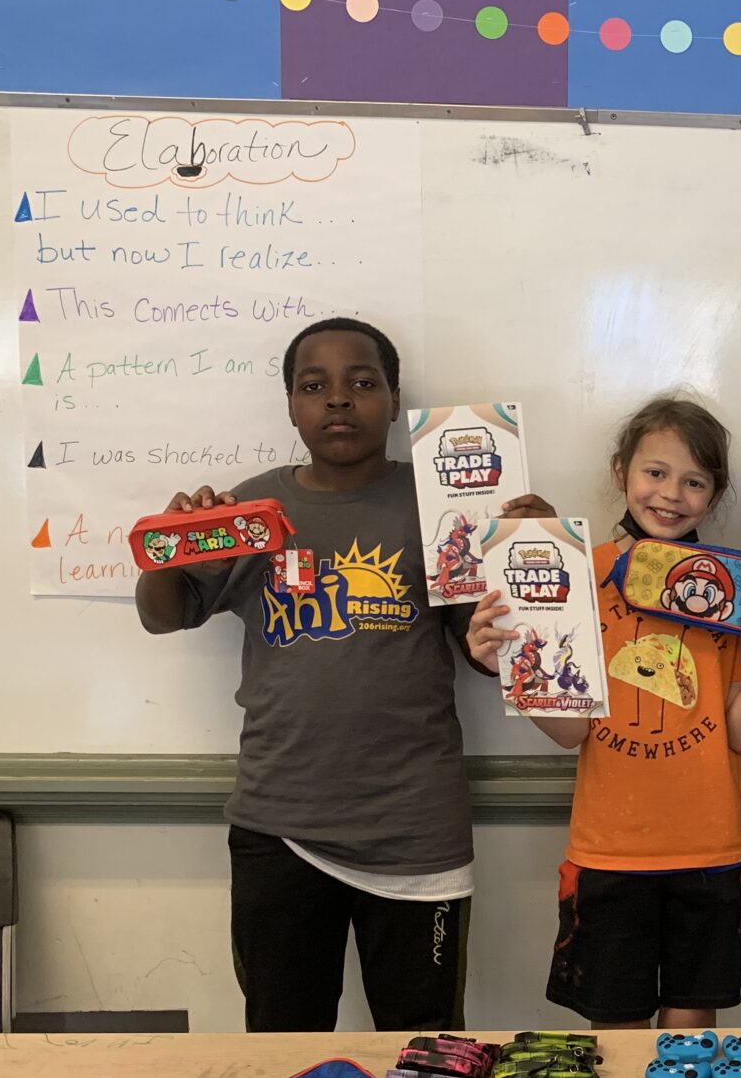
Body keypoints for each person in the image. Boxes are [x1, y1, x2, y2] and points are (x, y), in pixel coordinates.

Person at [135, 317, 484, 1031]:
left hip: (414, 829)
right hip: (280, 825)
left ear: (393, 399)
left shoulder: (440, 507)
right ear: (289, 404)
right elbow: (165, 617)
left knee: (424, 1050)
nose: (338, 401)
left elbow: (482, 650)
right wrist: (170, 548)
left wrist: (523, 557)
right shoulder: (252, 509)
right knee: (281, 1042)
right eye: (313, 386)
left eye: (362, 382)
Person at [467, 395, 741, 1030]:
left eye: (695, 481)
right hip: (610, 852)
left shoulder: (736, 586)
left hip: (712, 847)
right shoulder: (579, 574)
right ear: (621, 472)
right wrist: (514, 661)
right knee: (616, 1038)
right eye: (655, 472)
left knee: (690, 1043)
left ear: (714, 494)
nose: (671, 494)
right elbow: (570, 732)